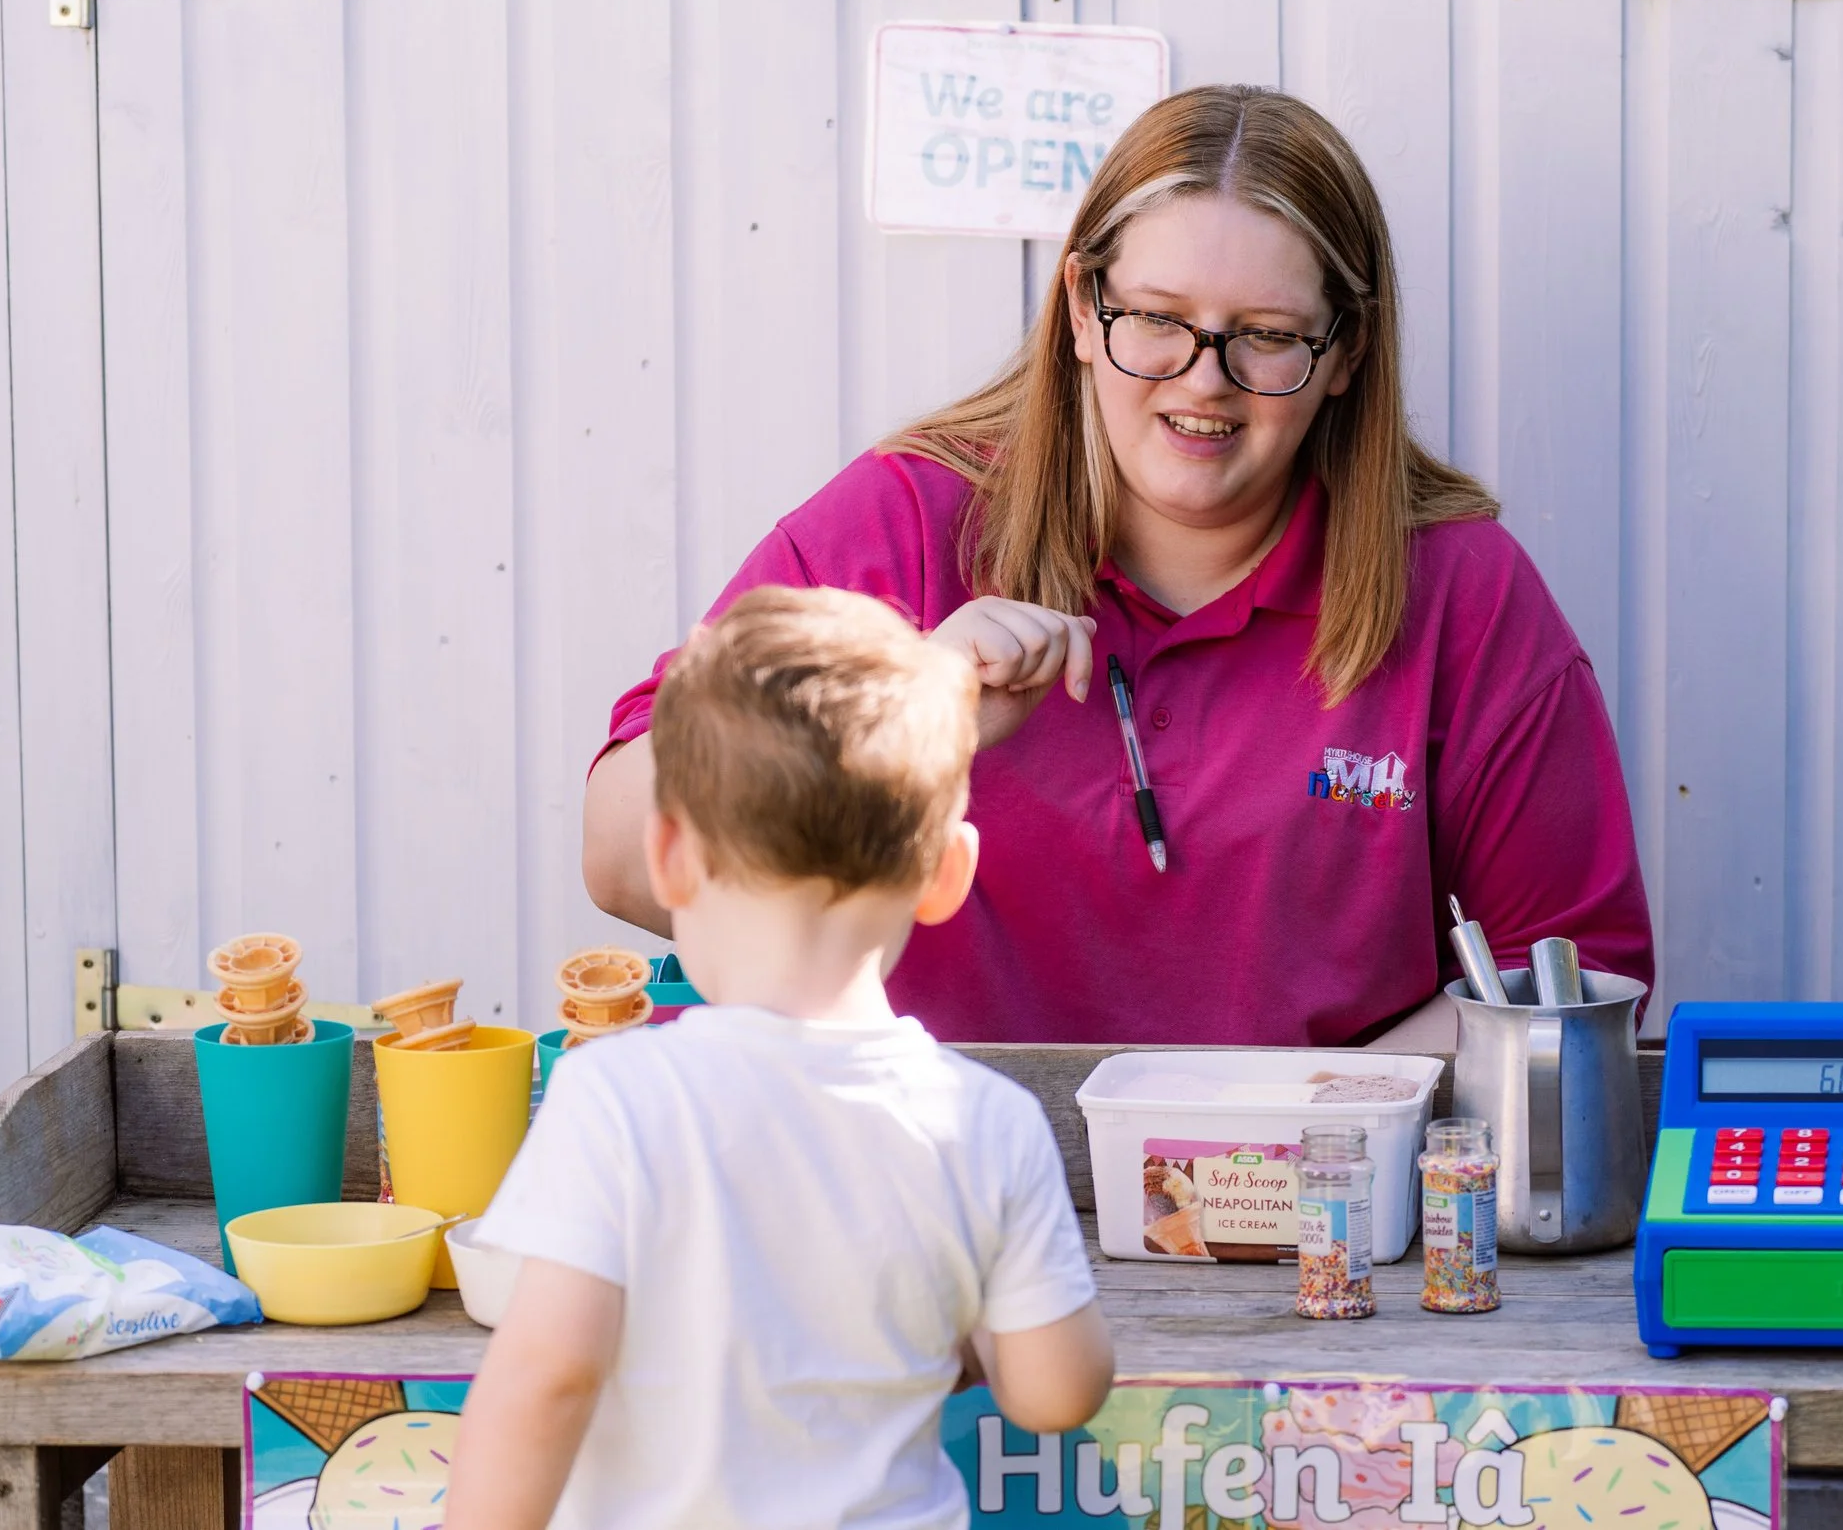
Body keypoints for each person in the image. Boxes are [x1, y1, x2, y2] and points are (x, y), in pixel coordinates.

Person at [584, 83, 1653, 1049]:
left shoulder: (1461, 592)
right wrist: (896, 720)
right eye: (1156, 319)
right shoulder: (906, 520)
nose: (1205, 380)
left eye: (1268, 335)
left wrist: (1316, 1131)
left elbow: (1577, 973)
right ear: (1081, 310)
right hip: (918, 1174)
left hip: (1309, 1193)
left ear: (1346, 354)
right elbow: (624, 855)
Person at [449, 587, 1113, 1530]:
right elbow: (1055, 1392)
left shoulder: (615, 1098)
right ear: (947, 874)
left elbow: (545, 1376)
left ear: (669, 856)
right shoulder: (986, 1121)